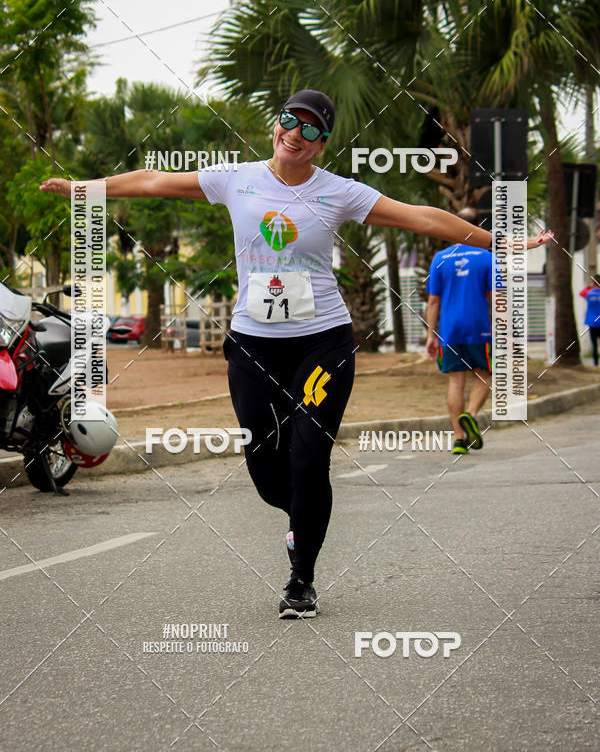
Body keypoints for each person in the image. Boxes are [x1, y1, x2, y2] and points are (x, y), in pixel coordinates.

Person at [41, 89, 552, 618]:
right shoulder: (236, 179)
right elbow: (153, 181)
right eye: (291, 121)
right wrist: (88, 188)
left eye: (311, 129)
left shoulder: (339, 192)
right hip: (253, 344)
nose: (296, 134)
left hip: (322, 342)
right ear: (277, 125)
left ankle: (301, 577)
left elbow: (420, 217)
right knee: (265, 467)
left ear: (322, 144)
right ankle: (306, 516)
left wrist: (499, 240)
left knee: (310, 458)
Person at [425, 209, 497, 454]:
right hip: (479, 327)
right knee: (484, 375)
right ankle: (472, 413)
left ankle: (458, 438)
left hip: (449, 329)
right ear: (477, 227)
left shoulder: (440, 258)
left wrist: (430, 335)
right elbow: (496, 298)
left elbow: (433, 301)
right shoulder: (487, 257)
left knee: (456, 380)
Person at [579, 275, 600, 366]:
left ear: (593, 283)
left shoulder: (589, 293)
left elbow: (581, 292)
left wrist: (589, 286)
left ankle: (595, 364)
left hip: (592, 322)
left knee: (594, 345)